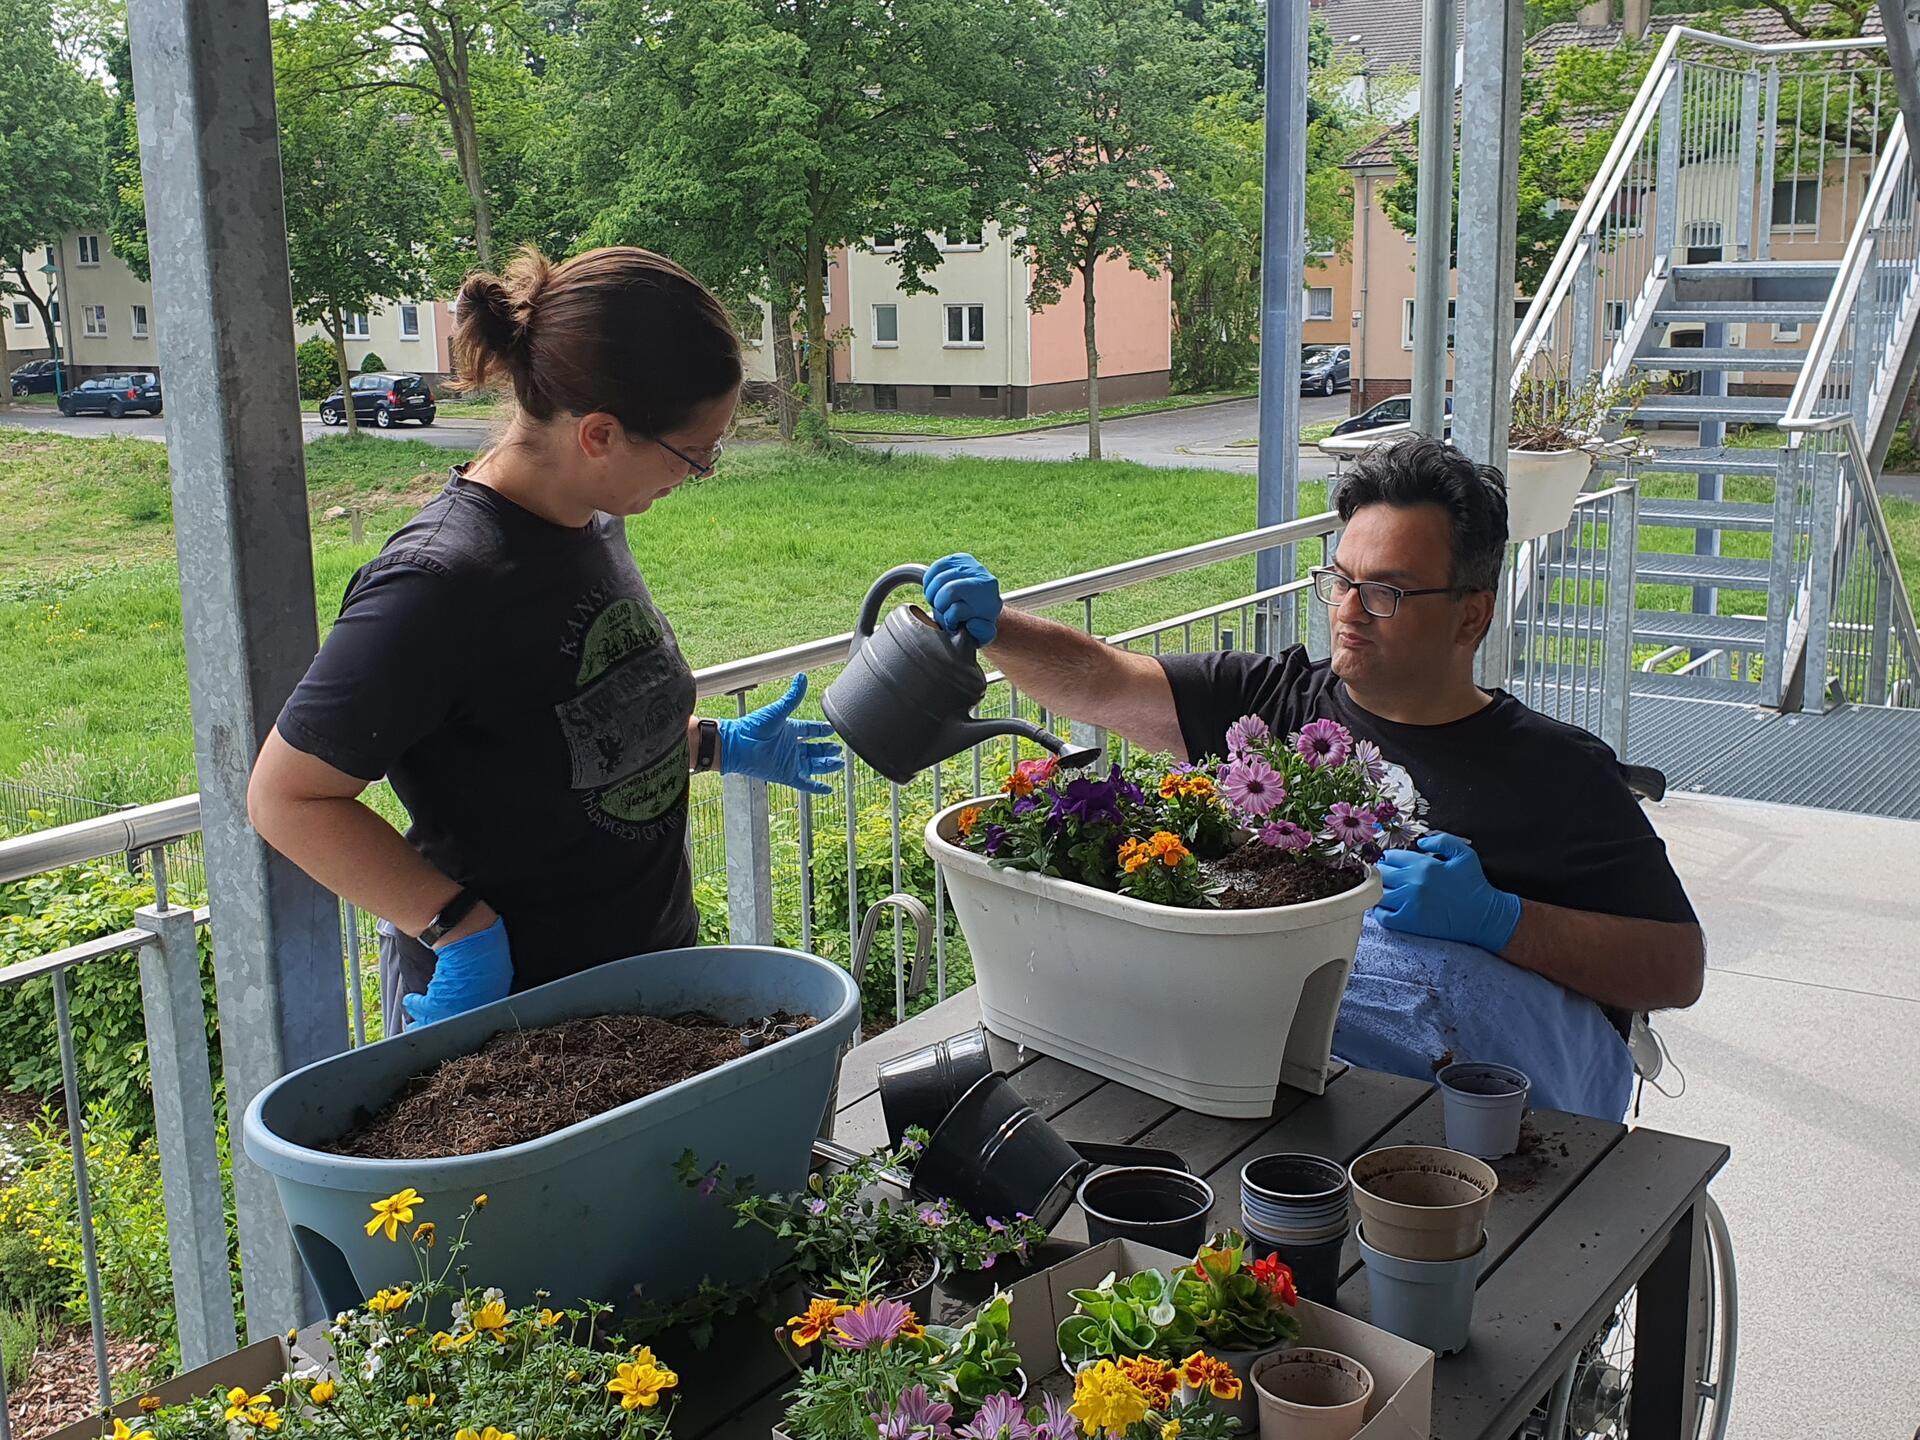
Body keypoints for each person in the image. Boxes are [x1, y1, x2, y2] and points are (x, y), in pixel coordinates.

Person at [918, 437, 1703, 1110]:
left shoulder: (1558, 772)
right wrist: (996, 628)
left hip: (1481, 1136)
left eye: (1387, 591)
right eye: (1341, 580)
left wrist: (1503, 920)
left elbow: (1677, 967)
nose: (1349, 610)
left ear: (1472, 614)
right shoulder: (1270, 705)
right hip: (1264, 1095)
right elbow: (1101, 680)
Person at [248, 246, 842, 1029]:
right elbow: (286, 797)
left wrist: (707, 744)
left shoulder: (590, 523)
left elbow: (547, 732)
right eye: (695, 453)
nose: (700, 473)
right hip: (512, 1027)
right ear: (599, 434)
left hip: (648, 987)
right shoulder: (435, 584)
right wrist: (458, 931)